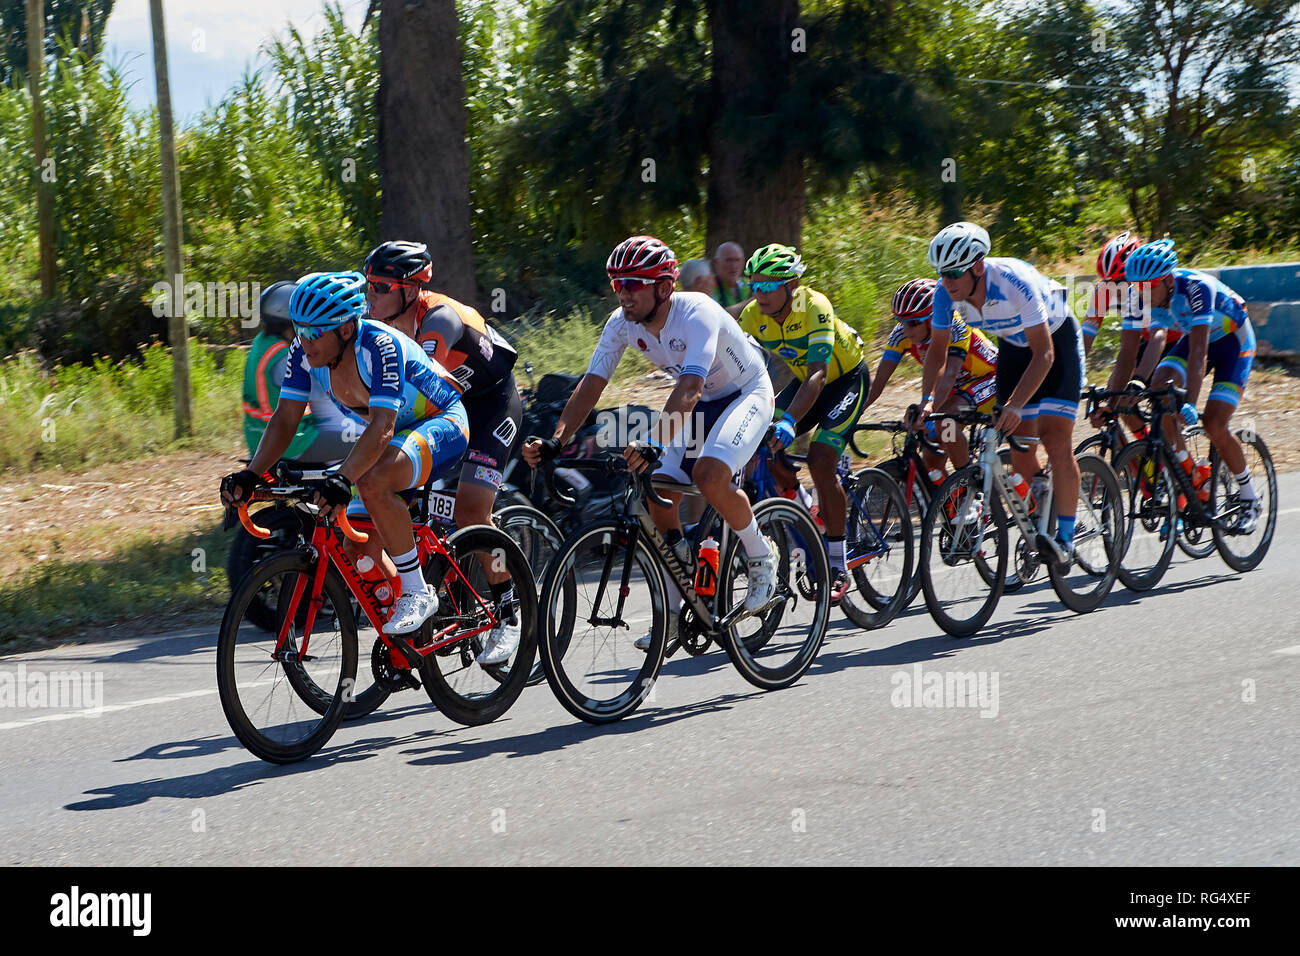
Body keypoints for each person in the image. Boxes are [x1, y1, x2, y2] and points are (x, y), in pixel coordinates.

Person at [522, 235, 776, 650]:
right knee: (654, 487)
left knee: (709, 475)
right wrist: (556, 442)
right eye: (617, 284)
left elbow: (691, 385)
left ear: (663, 287)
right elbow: (591, 386)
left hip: (745, 394)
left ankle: (761, 555)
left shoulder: (697, 313)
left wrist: (655, 442)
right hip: (698, 403)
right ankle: (677, 606)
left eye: (633, 284)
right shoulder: (621, 324)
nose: (623, 293)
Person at [219, 271, 470, 636]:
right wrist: (252, 474)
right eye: (299, 330)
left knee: (372, 479)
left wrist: (342, 478)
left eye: (314, 332)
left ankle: (417, 591)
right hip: (395, 434)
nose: (304, 341)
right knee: (355, 547)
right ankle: (408, 631)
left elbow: (382, 426)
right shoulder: (302, 355)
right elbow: (285, 419)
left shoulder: (380, 346)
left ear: (345, 330)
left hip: (442, 421)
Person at [362, 240, 524, 664]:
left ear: (410, 290)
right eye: (368, 284)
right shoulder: (377, 324)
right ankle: (415, 620)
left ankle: (508, 611)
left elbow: (416, 387)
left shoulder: (439, 319)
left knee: (471, 510)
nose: (369, 295)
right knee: (387, 503)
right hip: (441, 406)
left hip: (489, 404)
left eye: (380, 286)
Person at [913, 222, 1084, 570]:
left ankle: (1067, 537)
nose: (947, 281)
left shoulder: (1013, 281)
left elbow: (1045, 354)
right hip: (1014, 349)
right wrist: (928, 400)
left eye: (954, 273)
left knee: (1053, 439)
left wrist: (1016, 404)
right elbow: (937, 353)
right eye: (941, 274)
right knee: (1021, 446)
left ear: (978, 266)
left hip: (1055, 343)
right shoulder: (945, 295)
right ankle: (1041, 506)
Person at [736, 243, 868, 601]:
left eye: (767, 286)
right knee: (765, 447)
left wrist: (790, 420)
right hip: (806, 381)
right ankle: (805, 506)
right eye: (754, 286)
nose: (758, 295)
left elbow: (818, 376)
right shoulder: (752, 315)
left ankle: (838, 562)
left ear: (791, 285)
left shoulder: (814, 306)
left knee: (820, 458)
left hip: (842, 379)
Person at [1122, 239, 1262, 533]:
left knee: (1214, 423)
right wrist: (1133, 385)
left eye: (1148, 286)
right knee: (1160, 388)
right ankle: (1189, 474)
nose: (1141, 292)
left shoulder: (1197, 288)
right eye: (1136, 286)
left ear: (1168, 280)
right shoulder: (1144, 297)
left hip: (1233, 343)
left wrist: (1189, 403)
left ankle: (1248, 496)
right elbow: (1149, 346)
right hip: (1196, 340)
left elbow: (1200, 353)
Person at [864, 277, 998, 480]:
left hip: (989, 378)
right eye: (901, 322)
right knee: (931, 458)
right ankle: (955, 502)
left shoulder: (956, 324)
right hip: (957, 390)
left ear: (931, 317)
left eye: (913, 323)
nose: (906, 329)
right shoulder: (901, 335)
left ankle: (970, 485)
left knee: (944, 420)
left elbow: (950, 374)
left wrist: (928, 409)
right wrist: (855, 412)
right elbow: (879, 381)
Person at [242, 280, 351, 464]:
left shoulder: (261, 344)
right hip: (293, 443)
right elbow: (323, 390)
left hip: (257, 440)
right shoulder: (285, 357)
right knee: (368, 443)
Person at [1082, 231, 1141, 358]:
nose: (1114, 288)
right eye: (1108, 282)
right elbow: (1085, 337)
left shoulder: (1149, 289)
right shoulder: (1103, 290)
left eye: (1120, 281)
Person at [710, 241, 751, 309]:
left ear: (743, 262)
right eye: (729, 260)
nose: (733, 266)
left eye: (737, 260)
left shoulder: (750, 285)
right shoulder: (707, 286)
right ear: (716, 262)